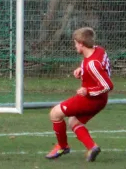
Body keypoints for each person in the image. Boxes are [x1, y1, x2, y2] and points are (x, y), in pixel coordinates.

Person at [45, 27, 113, 162]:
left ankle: (62, 146)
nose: (75, 46)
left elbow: (107, 85)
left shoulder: (93, 64)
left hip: (91, 99)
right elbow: (98, 69)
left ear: (81, 43)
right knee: (73, 121)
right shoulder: (98, 50)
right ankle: (92, 147)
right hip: (99, 100)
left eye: (75, 43)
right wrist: (81, 70)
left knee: (55, 113)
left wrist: (88, 91)